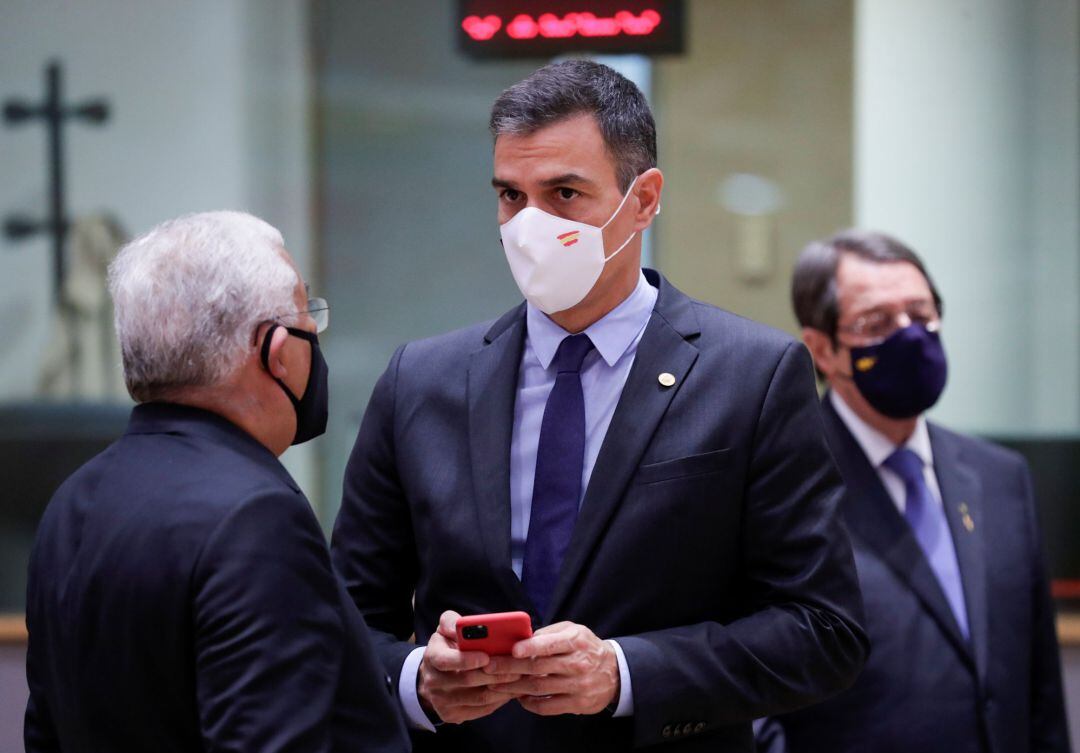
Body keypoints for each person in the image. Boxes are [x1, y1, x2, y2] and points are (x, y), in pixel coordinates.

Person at [331, 60, 867, 752]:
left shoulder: (753, 375)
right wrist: (415, 680)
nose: (529, 226)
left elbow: (823, 629)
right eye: (510, 196)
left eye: (563, 193)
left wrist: (625, 673)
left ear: (643, 200)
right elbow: (338, 621)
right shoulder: (421, 381)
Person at [24, 211, 410, 753]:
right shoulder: (256, 517)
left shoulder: (73, 502)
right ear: (275, 350)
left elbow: (45, 732)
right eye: (309, 319)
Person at [759, 229, 1071, 752]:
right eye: (877, 323)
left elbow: (1038, 684)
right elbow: (748, 689)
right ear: (822, 349)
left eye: (922, 315)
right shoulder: (779, 482)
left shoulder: (1000, 477)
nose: (910, 335)